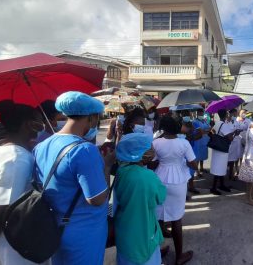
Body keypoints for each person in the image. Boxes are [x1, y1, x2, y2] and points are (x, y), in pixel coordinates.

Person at [33, 91, 115, 265]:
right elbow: (97, 199)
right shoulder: (84, 150)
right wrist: (107, 166)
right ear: (91, 118)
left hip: (56, 226)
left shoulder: (41, 145)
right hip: (84, 231)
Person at [0, 101, 46, 265]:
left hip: (20, 235)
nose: (41, 126)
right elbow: (3, 205)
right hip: (18, 241)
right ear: (28, 124)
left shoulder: (5, 147)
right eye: (38, 121)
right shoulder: (16, 159)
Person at [114, 133, 167, 265]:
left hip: (124, 235)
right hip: (143, 236)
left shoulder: (120, 171)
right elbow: (160, 197)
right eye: (149, 147)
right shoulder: (147, 176)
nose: (153, 150)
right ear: (138, 153)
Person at [152, 116, 197, 265]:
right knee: (176, 219)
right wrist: (183, 162)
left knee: (157, 218)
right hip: (178, 180)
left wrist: (163, 160)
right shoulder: (184, 143)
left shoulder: (155, 142)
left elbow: (151, 164)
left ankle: (156, 253)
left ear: (163, 128)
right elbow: (194, 164)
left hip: (159, 179)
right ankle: (179, 257)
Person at [209, 109, 235, 195]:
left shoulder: (217, 123)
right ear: (226, 115)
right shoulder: (224, 125)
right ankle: (214, 187)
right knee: (220, 167)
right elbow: (230, 138)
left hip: (217, 148)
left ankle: (221, 185)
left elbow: (212, 131)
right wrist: (235, 133)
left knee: (219, 167)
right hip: (222, 149)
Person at [192, 109, 210, 176]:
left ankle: (201, 168)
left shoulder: (204, 121)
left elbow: (209, 128)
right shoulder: (195, 122)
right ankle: (196, 171)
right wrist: (207, 131)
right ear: (197, 113)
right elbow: (201, 131)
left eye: (202, 113)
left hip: (204, 140)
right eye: (200, 113)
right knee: (197, 156)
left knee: (203, 155)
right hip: (198, 141)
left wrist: (206, 131)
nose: (201, 114)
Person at [227, 108, 244, 180]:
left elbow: (239, 128)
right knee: (230, 159)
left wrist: (238, 131)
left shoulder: (236, 121)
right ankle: (230, 174)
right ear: (231, 113)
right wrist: (235, 132)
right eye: (235, 113)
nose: (236, 115)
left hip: (236, 142)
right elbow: (228, 132)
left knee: (234, 159)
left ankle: (232, 173)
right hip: (230, 142)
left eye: (236, 113)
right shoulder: (227, 121)